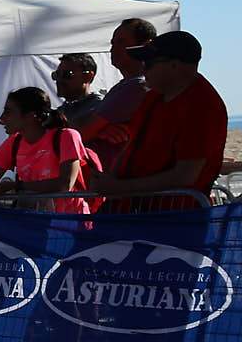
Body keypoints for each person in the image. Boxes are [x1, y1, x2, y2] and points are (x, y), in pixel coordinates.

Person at [92, 30, 227, 210]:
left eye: (149, 63)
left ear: (174, 65)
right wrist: (111, 182)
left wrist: (119, 188)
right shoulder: (153, 97)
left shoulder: (202, 106)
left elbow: (185, 175)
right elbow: (131, 146)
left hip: (173, 219)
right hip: (131, 210)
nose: (143, 68)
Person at [0, 87, 95, 215]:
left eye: (8, 112)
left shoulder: (67, 136)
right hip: (33, 224)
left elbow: (64, 185)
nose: (1, 119)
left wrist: (17, 186)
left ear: (30, 116)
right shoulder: (14, 142)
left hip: (70, 222)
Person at [72, 19, 161, 173]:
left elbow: (81, 134)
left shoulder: (135, 87)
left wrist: (95, 131)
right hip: (116, 181)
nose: (113, 48)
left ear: (144, 46)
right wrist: (100, 131)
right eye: (113, 43)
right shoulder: (125, 86)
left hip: (123, 182)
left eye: (121, 42)